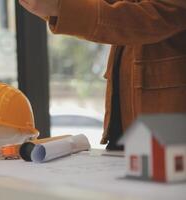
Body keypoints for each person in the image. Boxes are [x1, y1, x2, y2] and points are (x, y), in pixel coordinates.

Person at [19, 0, 186, 150]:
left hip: (166, 136)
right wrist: (56, 8)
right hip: (132, 129)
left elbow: (158, 16)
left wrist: (62, 8)